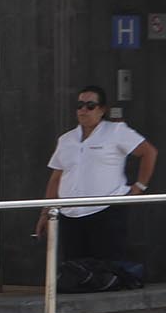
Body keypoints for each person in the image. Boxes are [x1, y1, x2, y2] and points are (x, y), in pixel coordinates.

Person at [45, 84, 157, 263]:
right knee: (76, 269)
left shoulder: (116, 131)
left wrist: (139, 186)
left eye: (90, 106)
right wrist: (46, 212)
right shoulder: (66, 140)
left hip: (105, 211)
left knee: (106, 267)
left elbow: (149, 152)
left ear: (102, 109)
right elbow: (56, 178)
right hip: (70, 214)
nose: (84, 110)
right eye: (80, 105)